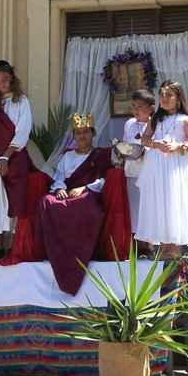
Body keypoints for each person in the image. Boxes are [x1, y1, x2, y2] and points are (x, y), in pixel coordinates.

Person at [34, 113, 131, 295]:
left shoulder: (101, 155)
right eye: (78, 133)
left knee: (86, 208)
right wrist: (59, 189)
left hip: (89, 195)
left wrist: (84, 188)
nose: (82, 136)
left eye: (86, 132)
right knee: (46, 202)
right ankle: (58, 253)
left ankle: (83, 254)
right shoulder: (67, 156)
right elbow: (59, 177)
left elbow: (104, 180)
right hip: (67, 194)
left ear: (93, 134)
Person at [0, 60, 38, 262]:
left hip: (16, 158)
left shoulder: (21, 101)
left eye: (4, 78)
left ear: (11, 77)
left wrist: (6, 156)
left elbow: (23, 130)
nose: (1, 83)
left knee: (15, 199)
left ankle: (14, 244)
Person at [136, 81, 188, 258]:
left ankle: (174, 252)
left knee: (173, 203)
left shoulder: (185, 120)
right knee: (160, 203)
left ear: (178, 98)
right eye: (162, 95)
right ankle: (164, 249)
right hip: (157, 168)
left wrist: (179, 147)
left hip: (175, 168)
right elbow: (144, 139)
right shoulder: (156, 119)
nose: (164, 99)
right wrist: (156, 144)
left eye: (169, 95)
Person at [119, 89, 154, 256]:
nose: (135, 110)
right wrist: (123, 149)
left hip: (149, 173)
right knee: (134, 211)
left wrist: (144, 150)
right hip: (132, 171)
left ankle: (149, 246)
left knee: (148, 210)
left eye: (140, 106)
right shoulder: (129, 124)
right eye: (133, 106)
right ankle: (135, 246)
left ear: (150, 108)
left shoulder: (155, 124)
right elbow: (126, 143)